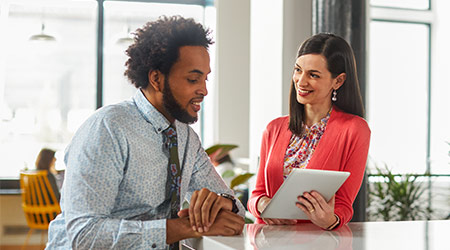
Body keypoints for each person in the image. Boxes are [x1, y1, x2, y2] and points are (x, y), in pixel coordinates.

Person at [47, 16, 245, 249]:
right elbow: (85, 234)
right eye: (193, 79)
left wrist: (223, 204)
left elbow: (236, 211)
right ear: (156, 79)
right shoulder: (108, 128)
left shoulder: (186, 138)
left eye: (205, 78)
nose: (204, 90)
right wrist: (185, 227)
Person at [247, 33, 371, 230]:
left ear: (338, 81)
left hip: (318, 241)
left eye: (313, 75)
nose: (301, 81)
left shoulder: (354, 130)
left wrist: (330, 220)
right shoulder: (274, 128)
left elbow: (344, 205)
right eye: (298, 70)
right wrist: (262, 206)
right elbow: (256, 194)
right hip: (268, 240)